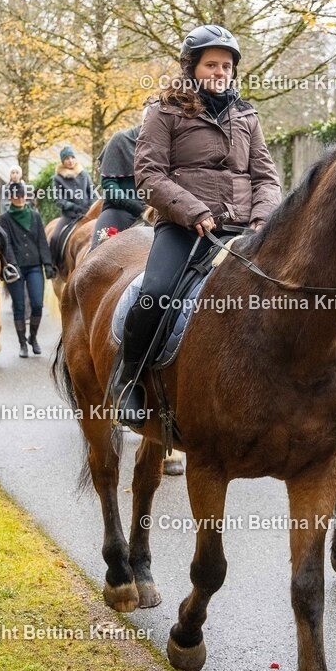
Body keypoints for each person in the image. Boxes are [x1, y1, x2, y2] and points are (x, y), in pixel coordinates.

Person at [112, 23, 282, 420]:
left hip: (245, 230)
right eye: (211, 64)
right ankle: (128, 379)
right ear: (191, 68)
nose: (220, 72)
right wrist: (194, 211)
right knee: (156, 293)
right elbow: (149, 176)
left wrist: (263, 219)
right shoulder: (163, 110)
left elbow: (266, 177)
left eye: (226, 65)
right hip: (184, 227)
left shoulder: (247, 116)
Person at [0, 182, 55, 357]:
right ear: (11, 198)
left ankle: (33, 337)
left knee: (37, 303)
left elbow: (42, 241)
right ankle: (22, 343)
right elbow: (6, 243)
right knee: (20, 307)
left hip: (34, 266)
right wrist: (13, 264)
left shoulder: (35, 215)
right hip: (16, 268)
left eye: (22, 195)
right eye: (16, 195)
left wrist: (47, 264)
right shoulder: (5, 218)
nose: (20, 198)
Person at [90, 125, 145, 249]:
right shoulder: (120, 140)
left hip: (153, 213)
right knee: (98, 250)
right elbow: (108, 183)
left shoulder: (164, 144)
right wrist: (130, 203)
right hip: (119, 210)